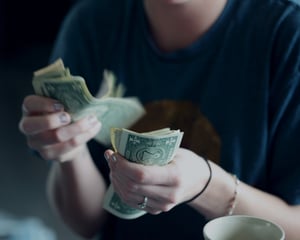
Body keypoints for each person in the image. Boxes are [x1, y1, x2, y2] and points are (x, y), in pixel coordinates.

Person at [19, 0, 300, 239]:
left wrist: (208, 186)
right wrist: (70, 152)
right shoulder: (92, 22)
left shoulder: (287, 35)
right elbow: (89, 223)